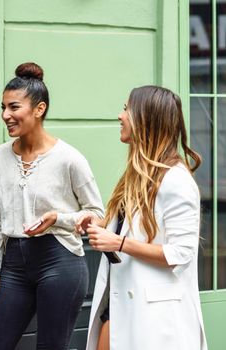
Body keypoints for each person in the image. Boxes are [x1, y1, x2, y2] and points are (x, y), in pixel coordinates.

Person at [0, 62, 105, 350]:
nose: (5, 115)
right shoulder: (0, 157)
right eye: (3, 107)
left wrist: (58, 218)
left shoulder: (69, 158)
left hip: (59, 261)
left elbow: (98, 215)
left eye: (14, 107)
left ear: (39, 109)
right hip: (14, 266)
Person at [77, 85, 208, 350]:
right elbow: (129, 227)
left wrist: (119, 244)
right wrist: (90, 222)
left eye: (126, 109)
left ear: (146, 119)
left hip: (155, 320)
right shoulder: (138, 174)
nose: (120, 116)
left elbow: (180, 254)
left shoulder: (177, 181)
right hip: (120, 304)